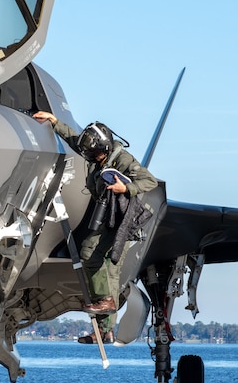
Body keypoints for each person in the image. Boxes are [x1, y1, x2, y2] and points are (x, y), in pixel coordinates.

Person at [32, 111, 158, 343]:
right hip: (107, 213)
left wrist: (125, 189)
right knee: (108, 270)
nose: (90, 156)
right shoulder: (94, 151)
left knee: (90, 254)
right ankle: (105, 330)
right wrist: (55, 122)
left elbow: (149, 180)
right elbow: (75, 141)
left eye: (94, 153)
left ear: (105, 148)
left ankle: (106, 304)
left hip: (121, 217)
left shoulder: (123, 159)